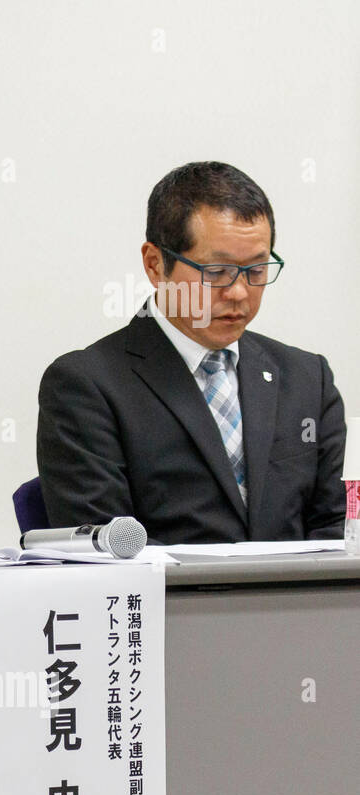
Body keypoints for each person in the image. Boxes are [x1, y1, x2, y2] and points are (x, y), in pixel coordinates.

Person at [37, 161, 346, 544]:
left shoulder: (307, 379)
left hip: (298, 603)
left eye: (256, 270)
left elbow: (335, 532)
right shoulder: (87, 385)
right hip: (171, 602)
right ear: (155, 264)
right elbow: (107, 551)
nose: (238, 293)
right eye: (216, 271)